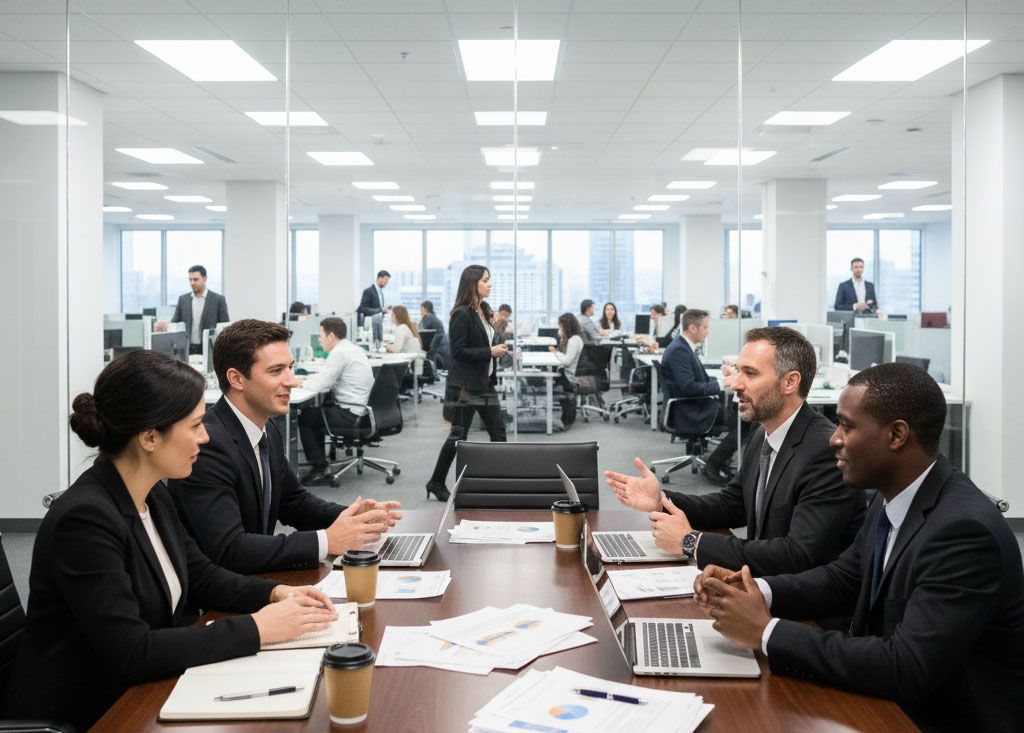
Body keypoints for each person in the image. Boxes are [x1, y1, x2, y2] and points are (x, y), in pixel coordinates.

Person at [0, 351, 338, 731]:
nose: (206, 436)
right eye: (194, 426)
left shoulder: (152, 494)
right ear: (149, 437)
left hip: (143, 689)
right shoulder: (85, 519)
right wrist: (259, 628)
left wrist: (276, 595)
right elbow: (133, 651)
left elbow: (202, 575)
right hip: (92, 710)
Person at [695, 363, 1024, 731]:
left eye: (847, 427)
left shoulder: (963, 532)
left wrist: (766, 631)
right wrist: (758, 590)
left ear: (897, 435)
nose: (834, 439)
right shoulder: (892, 496)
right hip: (888, 700)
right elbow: (842, 579)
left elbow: (906, 665)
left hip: (936, 718)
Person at [606, 326, 864, 576]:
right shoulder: (764, 432)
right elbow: (733, 504)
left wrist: (692, 542)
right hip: (764, 585)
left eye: (750, 374)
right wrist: (661, 499)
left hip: (806, 611)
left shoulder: (825, 451)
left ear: (790, 382)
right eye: (738, 371)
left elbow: (796, 554)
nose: (736, 384)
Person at [168, 319, 401, 574]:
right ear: (236, 378)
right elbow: (230, 549)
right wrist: (326, 540)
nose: (291, 381)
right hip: (216, 599)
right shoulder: (208, 446)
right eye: (276, 371)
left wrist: (352, 516)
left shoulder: (267, 428)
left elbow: (293, 502)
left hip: (256, 578)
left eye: (290, 368)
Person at [426, 265, 508, 501]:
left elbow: (484, 343)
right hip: (464, 386)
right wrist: (489, 351)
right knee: (458, 436)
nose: (489, 284)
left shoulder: (483, 310)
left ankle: (498, 481)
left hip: (484, 383)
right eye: (485, 280)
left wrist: (496, 349)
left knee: (499, 433)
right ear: (473, 283)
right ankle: (436, 481)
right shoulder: (461, 313)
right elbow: (458, 352)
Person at [657, 309, 738, 484]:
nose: (708, 331)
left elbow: (695, 380)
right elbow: (689, 388)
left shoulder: (682, 346)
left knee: (740, 414)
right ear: (693, 328)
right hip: (690, 410)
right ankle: (715, 463)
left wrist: (722, 378)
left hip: (692, 405)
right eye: (705, 327)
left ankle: (719, 461)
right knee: (745, 421)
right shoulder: (680, 351)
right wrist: (724, 383)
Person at [296, 317, 375, 486]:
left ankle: (320, 468)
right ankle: (320, 463)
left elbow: (322, 385)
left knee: (305, 417)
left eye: (321, 335)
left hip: (350, 414)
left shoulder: (339, 352)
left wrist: (300, 382)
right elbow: (325, 379)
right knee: (315, 413)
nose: (319, 339)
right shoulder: (352, 348)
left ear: (331, 336)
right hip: (360, 411)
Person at [171, 264, 229, 356]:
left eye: (195, 279)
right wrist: (165, 325)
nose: (192, 283)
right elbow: (174, 321)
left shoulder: (218, 299)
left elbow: (225, 327)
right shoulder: (183, 299)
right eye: (190, 279)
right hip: (187, 348)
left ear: (205, 279)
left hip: (209, 349)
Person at [548, 312, 585, 428]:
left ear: (566, 326)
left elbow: (566, 361)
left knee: (544, 377)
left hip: (570, 377)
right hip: (569, 374)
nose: (559, 329)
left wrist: (556, 353)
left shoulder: (574, 340)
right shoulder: (573, 338)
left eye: (561, 326)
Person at [419, 299, 448, 367]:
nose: (420, 310)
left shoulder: (428, 317)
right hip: (440, 342)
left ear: (425, 309)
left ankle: (430, 371)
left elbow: (421, 329)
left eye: (421, 308)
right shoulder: (432, 316)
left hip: (436, 343)